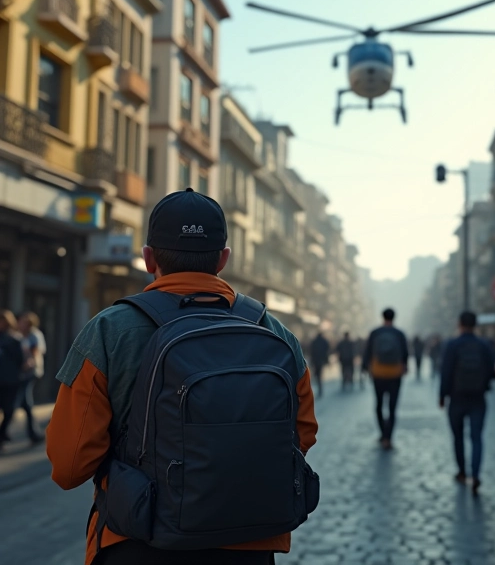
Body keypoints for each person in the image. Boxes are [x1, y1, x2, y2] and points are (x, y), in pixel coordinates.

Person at [47, 188, 318, 565]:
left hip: (138, 541)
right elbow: (301, 435)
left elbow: (69, 464)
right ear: (223, 259)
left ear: (148, 258)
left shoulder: (109, 332)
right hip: (249, 546)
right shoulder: (276, 334)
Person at [439, 312, 495, 496]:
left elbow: (446, 371)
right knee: (477, 437)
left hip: (456, 398)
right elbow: (491, 369)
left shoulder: (452, 345)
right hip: (478, 398)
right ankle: (476, 474)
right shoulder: (483, 345)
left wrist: (442, 395)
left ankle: (462, 472)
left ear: (459, 324)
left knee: (458, 436)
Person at [363, 308, 408, 450]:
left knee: (379, 404)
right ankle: (389, 438)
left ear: (382, 317)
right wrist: (404, 367)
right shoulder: (399, 334)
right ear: (394, 318)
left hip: (378, 373)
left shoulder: (375, 333)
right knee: (392, 407)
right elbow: (405, 353)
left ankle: (383, 433)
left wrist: (366, 368)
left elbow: (368, 352)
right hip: (395, 373)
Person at [15, 311, 46, 444]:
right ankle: (34, 433)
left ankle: (33, 432)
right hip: (21, 372)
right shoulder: (19, 334)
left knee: (23, 401)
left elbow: (35, 353)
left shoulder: (34, 335)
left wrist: (27, 364)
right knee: (25, 403)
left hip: (30, 372)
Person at [0, 310, 23, 448]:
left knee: (9, 410)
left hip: (10, 381)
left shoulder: (15, 339)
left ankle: (2, 434)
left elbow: (19, 360)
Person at [310, 331, 331, 398]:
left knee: (317, 374)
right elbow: (327, 349)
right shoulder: (324, 341)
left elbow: (311, 351)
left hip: (316, 360)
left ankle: (318, 385)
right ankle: (320, 387)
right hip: (321, 360)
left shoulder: (314, 341)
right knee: (319, 374)